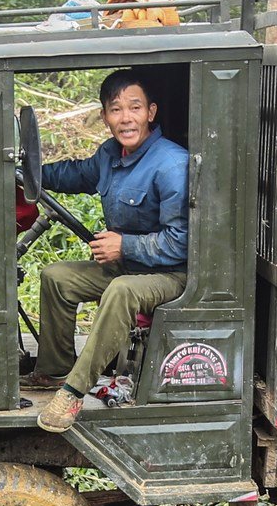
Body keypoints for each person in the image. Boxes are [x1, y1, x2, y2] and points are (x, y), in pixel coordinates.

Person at [27, 70, 189, 433]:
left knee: (121, 291)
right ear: (105, 116)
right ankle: (54, 371)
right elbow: (75, 175)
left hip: (171, 275)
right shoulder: (109, 155)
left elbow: (182, 241)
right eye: (116, 109)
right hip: (127, 267)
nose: (125, 117)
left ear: (151, 112)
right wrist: (27, 170)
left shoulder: (172, 164)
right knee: (57, 277)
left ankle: (73, 391)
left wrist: (124, 244)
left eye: (134, 107)